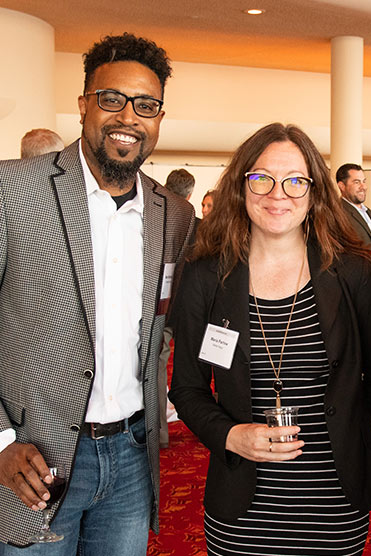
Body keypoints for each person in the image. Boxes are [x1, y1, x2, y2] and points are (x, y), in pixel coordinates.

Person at [0, 33, 194, 554]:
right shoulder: (11, 190)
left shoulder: (173, 214)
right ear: (84, 104)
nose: (129, 117)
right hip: (33, 460)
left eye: (146, 105)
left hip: (133, 457)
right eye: (112, 99)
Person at [169, 122, 371, 555]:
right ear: (241, 187)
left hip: (333, 499)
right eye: (262, 179)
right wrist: (230, 435)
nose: (279, 195)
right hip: (242, 503)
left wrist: (341, 426)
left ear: (314, 193)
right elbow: (187, 387)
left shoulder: (351, 273)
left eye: (296, 181)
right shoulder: (207, 276)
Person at [157, 168, 197, 448]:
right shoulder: (198, 225)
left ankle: (158, 434)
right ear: (191, 193)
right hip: (193, 310)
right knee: (200, 368)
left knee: (158, 366)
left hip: (161, 309)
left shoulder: (152, 218)